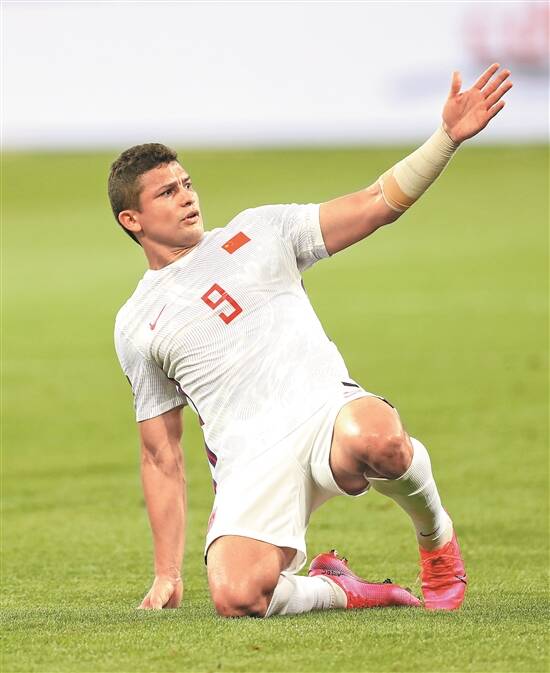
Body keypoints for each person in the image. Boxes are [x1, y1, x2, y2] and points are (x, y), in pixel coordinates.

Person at [109, 64, 512, 616]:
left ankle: (436, 539)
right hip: (251, 459)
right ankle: (342, 588)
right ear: (132, 219)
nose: (186, 197)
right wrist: (166, 574)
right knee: (236, 597)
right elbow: (161, 455)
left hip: (325, 413)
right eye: (166, 192)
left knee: (380, 438)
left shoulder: (260, 231)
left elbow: (375, 203)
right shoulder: (137, 323)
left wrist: (446, 138)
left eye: (187, 184)